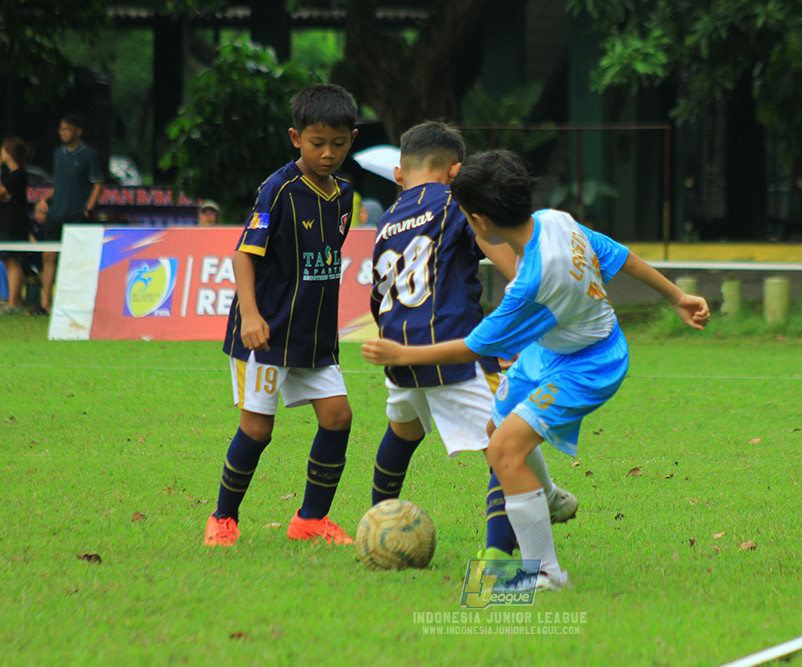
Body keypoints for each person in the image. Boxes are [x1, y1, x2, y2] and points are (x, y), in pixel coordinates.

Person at [362, 149, 711, 590]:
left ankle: (544, 574)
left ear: (480, 221)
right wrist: (676, 296)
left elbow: (474, 346)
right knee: (495, 431)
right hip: (550, 351)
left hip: (588, 366)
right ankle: (547, 498)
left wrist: (402, 355)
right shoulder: (555, 220)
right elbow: (616, 253)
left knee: (505, 451)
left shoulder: (531, 284)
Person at [367, 122, 578, 562]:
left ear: (399, 173)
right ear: (456, 172)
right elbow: (516, 274)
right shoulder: (456, 204)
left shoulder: (386, 219)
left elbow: (378, 294)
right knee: (504, 445)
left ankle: (374, 523)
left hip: (399, 353)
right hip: (452, 354)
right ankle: (500, 558)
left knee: (402, 432)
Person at [205, 83, 359, 547]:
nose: (328, 154)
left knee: (338, 417)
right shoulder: (278, 189)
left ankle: (310, 520)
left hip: (313, 338)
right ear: (296, 137)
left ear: (352, 138)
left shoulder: (345, 194)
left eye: (339, 143)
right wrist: (250, 315)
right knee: (257, 428)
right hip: (266, 333)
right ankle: (222, 518)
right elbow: (243, 256)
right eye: (317, 144)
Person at [33, 115, 104, 315]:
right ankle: (45, 302)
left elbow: (98, 184)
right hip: (57, 212)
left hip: (77, 214)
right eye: (61, 129)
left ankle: (77, 303)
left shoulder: (88, 154)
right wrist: (44, 201)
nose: (63, 132)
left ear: (77, 131)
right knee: (48, 255)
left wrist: (87, 209)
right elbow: (59, 185)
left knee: (77, 260)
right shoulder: (59, 154)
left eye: (68, 129)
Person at [0, 138, 31, 313]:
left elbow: (3, 193)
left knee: (13, 260)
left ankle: (13, 302)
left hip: (15, 222)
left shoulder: (19, 174)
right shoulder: (7, 175)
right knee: (7, 259)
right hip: (5, 220)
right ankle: (15, 299)